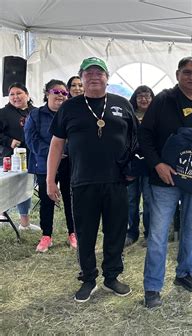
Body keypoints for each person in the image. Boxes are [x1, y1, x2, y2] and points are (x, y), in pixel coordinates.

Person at [46, 57, 137, 303]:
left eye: (99, 72)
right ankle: (88, 278)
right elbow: (56, 144)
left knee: (115, 231)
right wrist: (49, 179)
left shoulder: (122, 104)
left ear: (107, 77)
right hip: (82, 181)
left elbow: (135, 141)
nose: (94, 76)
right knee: (85, 233)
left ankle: (111, 276)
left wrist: (133, 167)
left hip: (116, 181)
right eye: (89, 73)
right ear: (81, 78)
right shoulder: (69, 107)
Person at [139, 56, 192, 309]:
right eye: (187, 72)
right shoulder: (163, 100)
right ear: (178, 74)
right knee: (158, 233)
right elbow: (144, 134)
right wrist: (157, 163)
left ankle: (186, 273)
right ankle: (153, 287)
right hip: (164, 177)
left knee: (191, 228)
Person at [24, 79, 76, 252]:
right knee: (46, 199)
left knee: (70, 199)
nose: (60, 95)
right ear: (47, 94)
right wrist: (53, 153)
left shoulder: (70, 114)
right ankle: (46, 235)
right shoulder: (35, 115)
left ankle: (73, 233)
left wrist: (65, 151)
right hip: (43, 163)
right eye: (56, 92)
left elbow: (77, 138)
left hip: (68, 162)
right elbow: (31, 140)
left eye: (64, 93)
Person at [0, 82, 39, 230]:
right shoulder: (3, 113)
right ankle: (3, 215)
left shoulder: (36, 111)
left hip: (32, 157)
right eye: (12, 94)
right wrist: (9, 141)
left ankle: (24, 223)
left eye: (19, 93)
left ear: (27, 95)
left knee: (26, 188)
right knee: (5, 188)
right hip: (10, 159)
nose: (15, 97)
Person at [124, 85, 154, 247]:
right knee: (131, 200)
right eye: (140, 96)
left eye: (147, 96)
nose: (144, 99)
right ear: (135, 99)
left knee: (149, 200)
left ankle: (149, 233)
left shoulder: (157, 116)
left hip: (150, 165)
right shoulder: (128, 116)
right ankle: (131, 232)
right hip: (132, 165)